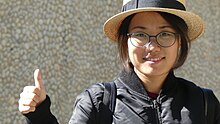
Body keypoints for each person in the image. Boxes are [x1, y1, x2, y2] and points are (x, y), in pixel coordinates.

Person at [18, 0, 220, 123]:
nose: (152, 46)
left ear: (180, 42)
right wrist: (40, 115)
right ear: (125, 41)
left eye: (165, 34)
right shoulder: (98, 102)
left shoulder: (204, 103)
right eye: (140, 34)